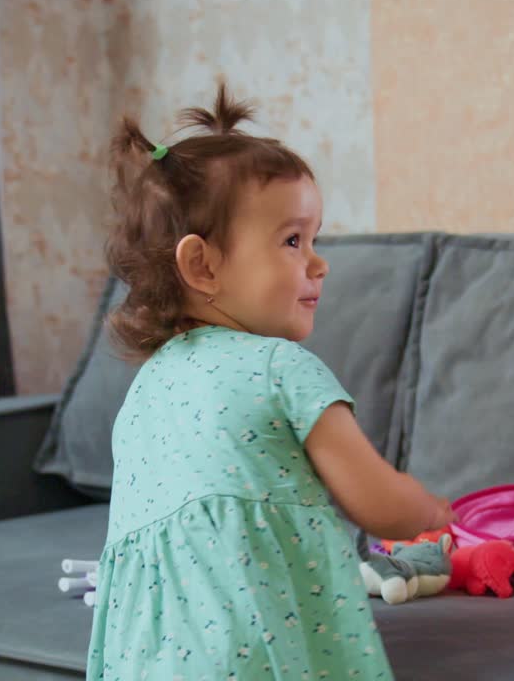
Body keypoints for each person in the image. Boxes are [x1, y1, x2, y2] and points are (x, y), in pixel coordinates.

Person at [85, 83, 454, 680]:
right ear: (202, 265)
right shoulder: (281, 368)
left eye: (314, 239)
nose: (319, 262)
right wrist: (429, 508)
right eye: (292, 240)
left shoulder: (144, 393)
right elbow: (379, 504)